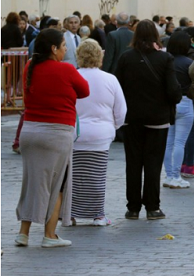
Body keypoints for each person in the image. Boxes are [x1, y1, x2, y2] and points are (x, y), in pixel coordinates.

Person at [15, 29, 90, 248]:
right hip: (56, 133)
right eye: (64, 46)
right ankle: (50, 234)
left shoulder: (30, 66)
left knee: (32, 183)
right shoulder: (66, 69)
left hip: (30, 132)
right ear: (53, 49)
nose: (67, 50)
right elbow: (84, 90)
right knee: (58, 184)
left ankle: (23, 233)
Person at [115, 20, 182, 220]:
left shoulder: (126, 58)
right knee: (153, 163)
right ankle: (153, 207)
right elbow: (173, 92)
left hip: (132, 118)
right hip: (157, 118)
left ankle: (133, 207)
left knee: (133, 163)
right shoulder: (165, 59)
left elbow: (118, 87)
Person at [71, 39, 126, 226]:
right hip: (101, 134)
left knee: (73, 176)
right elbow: (121, 110)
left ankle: (70, 213)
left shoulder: (73, 77)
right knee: (97, 176)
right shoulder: (110, 79)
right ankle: (98, 215)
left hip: (75, 134)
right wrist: (114, 127)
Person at [162, 31, 194, 189]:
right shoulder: (189, 63)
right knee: (180, 142)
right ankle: (176, 175)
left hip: (168, 103)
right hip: (185, 101)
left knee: (168, 142)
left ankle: (169, 175)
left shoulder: (166, 61)